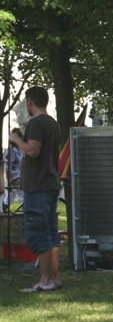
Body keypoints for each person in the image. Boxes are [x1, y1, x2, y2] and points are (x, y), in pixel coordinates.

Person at [9, 87, 62, 292]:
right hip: (49, 183)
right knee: (50, 233)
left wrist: (16, 140)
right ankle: (54, 279)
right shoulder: (52, 123)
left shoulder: (36, 123)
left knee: (38, 234)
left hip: (38, 187)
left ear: (30, 102)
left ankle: (45, 281)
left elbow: (32, 150)